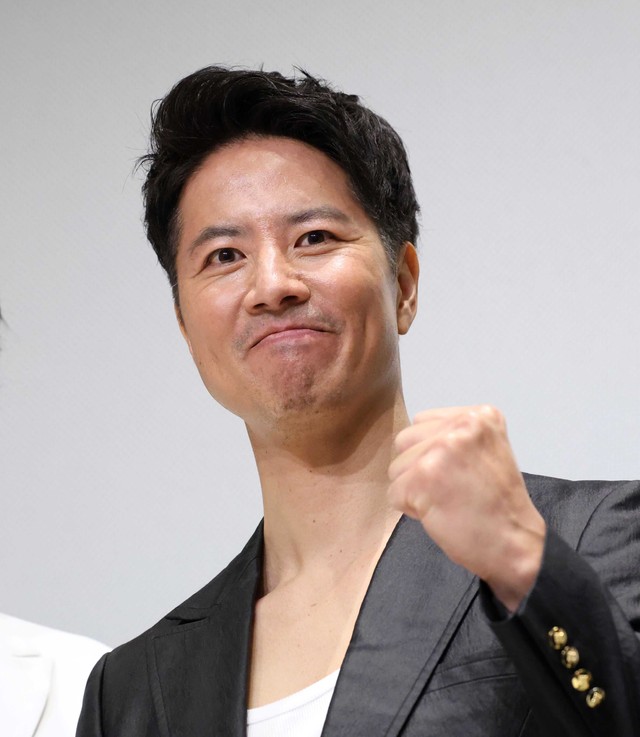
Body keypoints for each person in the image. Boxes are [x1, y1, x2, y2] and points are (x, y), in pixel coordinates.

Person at [77, 67, 640, 737]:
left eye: (313, 238)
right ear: (185, 326)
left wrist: (523, 563)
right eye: (224, 255)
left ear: (403, 284)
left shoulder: (587, 539)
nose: (272, 284)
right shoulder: (131, 689)